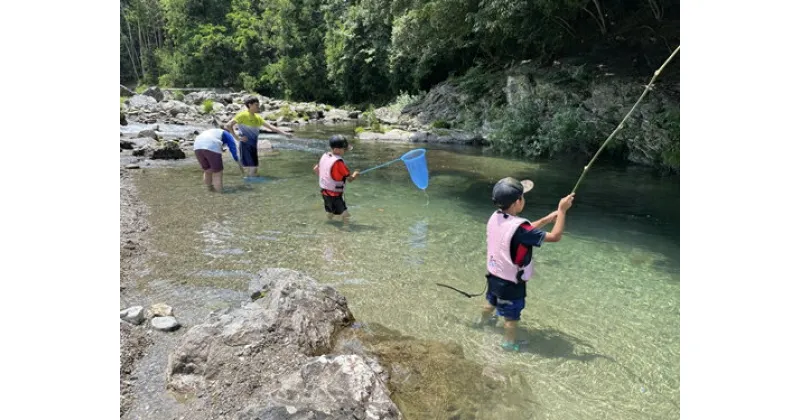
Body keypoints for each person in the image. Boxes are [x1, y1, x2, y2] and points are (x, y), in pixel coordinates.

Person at [475, 177, 575, 352]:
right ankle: (508, 344)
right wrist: (562, 210)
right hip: (511, 284)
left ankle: (481, 322)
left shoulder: (495, 217)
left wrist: (546, 219)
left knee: (490, 302)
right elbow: (555, 236)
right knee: (511, 319)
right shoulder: (520, 229)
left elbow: (521, 232)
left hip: (494, 276)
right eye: (523, 197)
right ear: (517, 202)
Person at [225, 96, 292, 177]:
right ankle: (250, 185)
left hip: (253, 146)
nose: (258, 106)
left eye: (258, 104)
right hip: (246, 146)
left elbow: (271, 127)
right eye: (256, 105)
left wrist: (284, 133)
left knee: (254, 168)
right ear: (250, 105)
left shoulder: (258, 118)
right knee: (253, 168)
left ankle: (249, 183)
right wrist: (236, 137)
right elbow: (228, 125)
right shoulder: (243, 115)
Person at [313, 135, 360, 223]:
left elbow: (316, 168)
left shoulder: (325, 156)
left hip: (324, 192)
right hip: (335, 194)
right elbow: (349, 179)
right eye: (344, 149)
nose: (345, 151)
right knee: (345, 214)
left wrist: (327, 180)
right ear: (336, 150)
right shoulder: (338, 162)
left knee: (330, 212)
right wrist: (355, 175)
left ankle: (329, 224)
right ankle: (346, 229)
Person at [193, 128, 240, 193]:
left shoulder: (212, 131)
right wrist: (237, 160)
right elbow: (233, 148)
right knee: (217, 173)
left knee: (207, 170)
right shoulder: (227, 134)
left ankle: (210, 190)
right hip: (211, 145)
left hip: (197, 146)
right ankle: (219, 193)